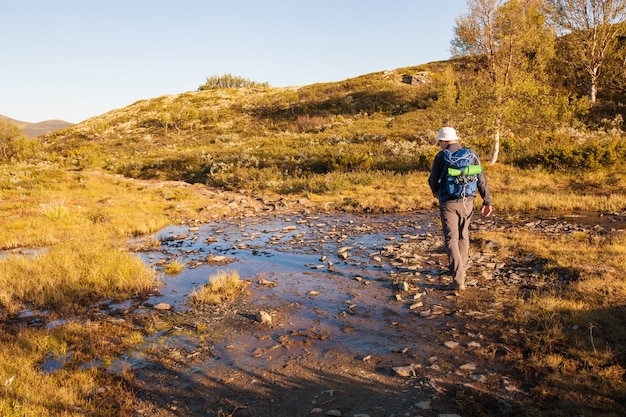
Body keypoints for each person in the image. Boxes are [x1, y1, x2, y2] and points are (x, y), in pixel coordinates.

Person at [428, 127, 492, 291]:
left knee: (451, 239)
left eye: (439, 142)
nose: (439, 145)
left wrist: (435, 191)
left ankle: (458, 280)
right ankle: (460, 269)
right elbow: (481, 179)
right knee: (464, 236)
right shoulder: (471, 154)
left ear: (443, 141)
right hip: (468, 202)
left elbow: (433, 179)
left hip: (448, 203)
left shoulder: (441, 156)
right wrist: (487, 201)